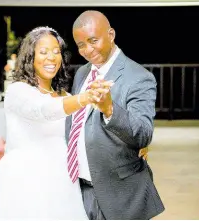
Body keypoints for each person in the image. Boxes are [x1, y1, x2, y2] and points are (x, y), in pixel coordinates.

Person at [0, 26, 112, 219]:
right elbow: (44, 110)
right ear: (30, 56)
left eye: (56, 52)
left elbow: (88, 129)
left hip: (63, 182)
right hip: (25, 181)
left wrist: (131, 144)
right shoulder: (18, 91)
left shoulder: (64, 95)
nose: (51, 58)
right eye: (43, 52)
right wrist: (85, 98)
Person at [65, 10, 165, 220]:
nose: (88, 50)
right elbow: (77, 125)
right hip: (79, 192)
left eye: (93, 40)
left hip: (118, 197)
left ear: (111, 35)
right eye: (81, 45)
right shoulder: (82, 73)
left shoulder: (139, 77)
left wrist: (110, 109)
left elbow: (143, 134)